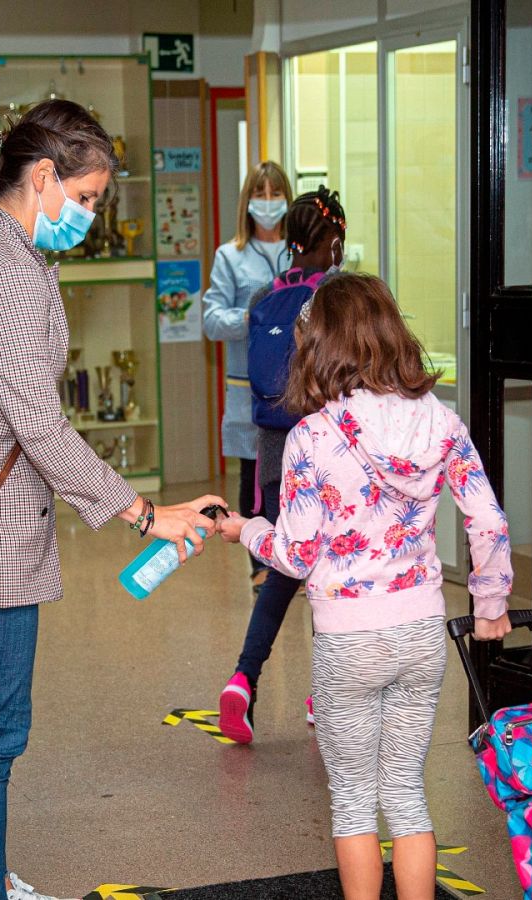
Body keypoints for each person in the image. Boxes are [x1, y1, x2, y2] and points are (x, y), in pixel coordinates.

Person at [0, 99, 224, 900]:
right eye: (84, 197)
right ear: (43, 176)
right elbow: (42, 428)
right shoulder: (7, 274)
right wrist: (146, 514)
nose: (88, 215)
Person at [218, 272, 514, 900]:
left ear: (320, 346)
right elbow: (487, 519)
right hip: (420, 633)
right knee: (406, 794)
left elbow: (295, 555)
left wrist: (246, 530)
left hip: (350, 639)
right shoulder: (441, 422)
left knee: (353, 801)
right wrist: (490, 604)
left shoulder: (311, 438)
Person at [215, 187, 346, 744]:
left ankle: (243, 680)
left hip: (275, 454)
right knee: (332, 574)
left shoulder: (265, 294)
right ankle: (325, 694)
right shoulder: (339, 295)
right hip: (330, 454)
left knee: (285, 570)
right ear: (334, 242)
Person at [202, 162, 292, 588]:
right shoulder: (230, 256)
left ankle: (293, 559)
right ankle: (260, 565)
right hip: (249, 389)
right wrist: (254, 317)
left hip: (298, 388)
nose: (268, 203)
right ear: (247, 202)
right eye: (261, 194)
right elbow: (212, 320)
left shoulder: (299, 253)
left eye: (276, 194)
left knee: (297, 475)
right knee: (256, 475)